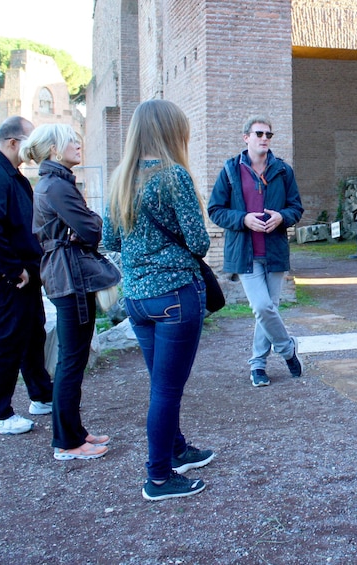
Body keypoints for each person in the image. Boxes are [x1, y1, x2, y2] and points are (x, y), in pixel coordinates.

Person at [102, 99, 215, 500]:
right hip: (173, 298)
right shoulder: (174, 177)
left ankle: (177, 449)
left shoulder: (120, 177)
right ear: (171, 132)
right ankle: (159, 477)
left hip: (135, 299)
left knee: (161, 385)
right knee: (167, 390)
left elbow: (110, 241)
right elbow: (200, 242)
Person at [27, 124, 118, 461]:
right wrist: (82, 231)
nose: (79, 145)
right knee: (71, 360)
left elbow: (88, 226)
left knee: (72, 358)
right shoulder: (57, 187)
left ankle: (74, 432)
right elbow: (94, 228)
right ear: (54, 149)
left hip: (68, 275)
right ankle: (66, 442)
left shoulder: (55, 183)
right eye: (71, 141)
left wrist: (82, 230)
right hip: (70, 279)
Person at [0, 116, 54, 435]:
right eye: (30, 140)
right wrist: (11, 268)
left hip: (22, 272)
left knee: (33, 333)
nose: (34, 147)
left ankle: (42, 396)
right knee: (8, 338)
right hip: (6, 275)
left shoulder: (11, 175)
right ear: (13, 142)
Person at [208, 116, 304, 387]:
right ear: (246, 137)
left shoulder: (283, 171)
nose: (264, 138)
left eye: (269, 135)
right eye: (259, 133)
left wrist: (282, 217)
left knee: (268, 309)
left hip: (274, 251)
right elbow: (215, 209)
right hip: (244, 252)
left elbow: (296, 208)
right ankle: (288, 350)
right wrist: (243, 219)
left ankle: (258, 365)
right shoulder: (230, 170)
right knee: (262, 306)